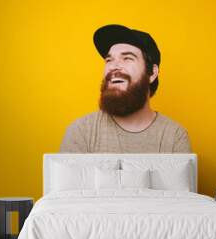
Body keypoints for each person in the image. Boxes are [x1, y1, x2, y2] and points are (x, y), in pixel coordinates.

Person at [60, 24, 192, 153]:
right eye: (109, 60)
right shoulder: (81, 132)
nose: (113, 66)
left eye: (127, 58)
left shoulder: (175, 137)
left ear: (152, 73)